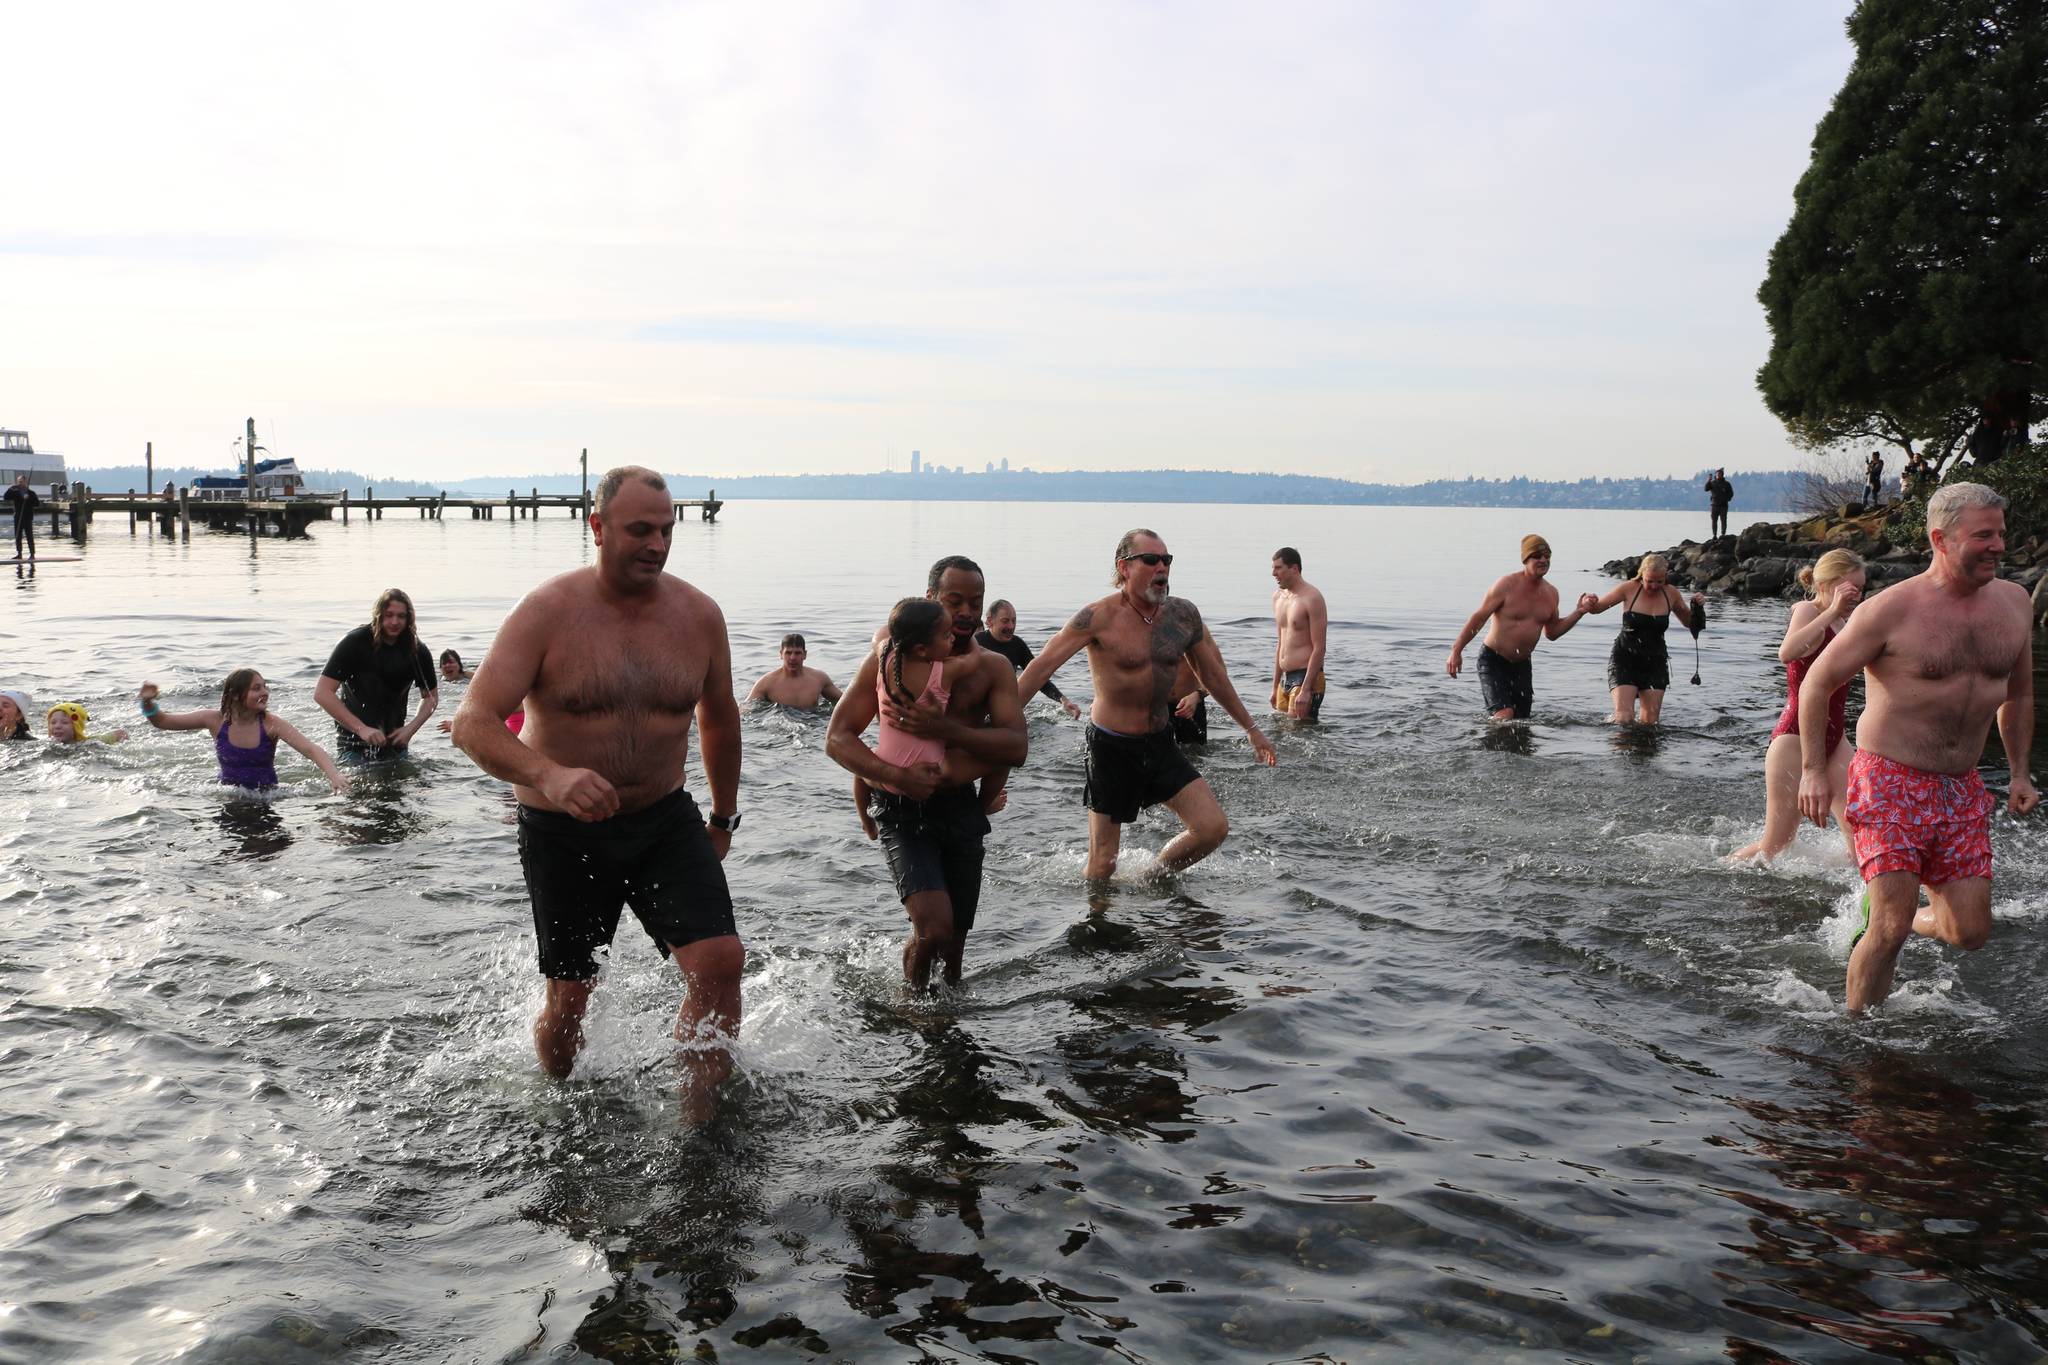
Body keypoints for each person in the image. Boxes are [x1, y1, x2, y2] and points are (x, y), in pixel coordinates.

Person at [451, 466, 746, 1094]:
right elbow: (472, 723)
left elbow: (718, 717)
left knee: (720, 964)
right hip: (565, 831)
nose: (658, 545)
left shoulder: (699, 616)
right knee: (570, 1001)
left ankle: (700, 1129)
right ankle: (558, 1102)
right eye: (640, 530)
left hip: (665, 819)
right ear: (597, 528)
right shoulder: (547, 613)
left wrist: (723, 816)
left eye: (667, 530)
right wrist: (549, 775)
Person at [1794, 483, 2038, 1012]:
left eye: (2001, 532)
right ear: (1941, 539)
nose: (1998, 545)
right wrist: (1814, 769)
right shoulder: (1892, 609)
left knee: (1970, 932)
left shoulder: (2016, 604)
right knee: (1889, 926)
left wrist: (2020, 772)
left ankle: (1897, 915)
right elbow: (1817, 682)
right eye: (1983, 535)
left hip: (1960, 786)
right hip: (1889, 779)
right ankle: (1859, 1036)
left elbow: (2017, 694)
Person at [1018, 529, 1278, 881]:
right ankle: (1098, 924)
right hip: (1110, 748)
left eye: (1166, 560)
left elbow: (1215, 677)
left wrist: (1252, 730)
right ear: (1123, 567)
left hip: (1159, 743)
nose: (1162, 567)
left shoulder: (1183, 615)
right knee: (1102, 865)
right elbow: (1039, 668)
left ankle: (1150, 878)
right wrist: (998, 726)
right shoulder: (1097, 617)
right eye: (1151, 560)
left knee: (1212, 827)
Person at [827, 555, 1027, 989]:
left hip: (959, 810)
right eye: (955, 601)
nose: (968, 613)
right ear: (930, 599)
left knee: (953, 945)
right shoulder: (886, 660)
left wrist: (942, 727)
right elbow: (838, 738)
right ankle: (913, 1004)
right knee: (933, 931)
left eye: (976, 602)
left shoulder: (991, 668)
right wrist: (895, 777)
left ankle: (947, 1020)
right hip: (901, 808)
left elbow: (1017, 747)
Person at [1729, 550, 1866, 865]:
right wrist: (1831, 610)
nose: (1857, 595)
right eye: (1851, 587)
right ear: (1829, 583)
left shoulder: (1849, 622)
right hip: (1794, 738)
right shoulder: (1808, 610)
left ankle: (1859, 899)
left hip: (1835, 738)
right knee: (1776, 846)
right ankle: (1727, 870)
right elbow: (1787, 652)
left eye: (1861, 588)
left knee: (1861, 835)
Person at [1444, 535, 1597, 721]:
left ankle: (1504, 747)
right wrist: (1456, 650)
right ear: (1525, 560)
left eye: (1547, 556)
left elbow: (1552, 633)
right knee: (1505, 714)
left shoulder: (1551, 593)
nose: (1543, 560)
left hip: (1522, 666)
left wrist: (1579, 611)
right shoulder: (1506, 585)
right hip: (1493, 660)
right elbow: (1479, 617)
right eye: (1537, 556)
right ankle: (1484, 746)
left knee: (1522, 722)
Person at [137, 672, 349, 793]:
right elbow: (163, 721)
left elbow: (310, 749)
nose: (265, 692)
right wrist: (147, 702)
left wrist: (334, 776)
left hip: (266, 797)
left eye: (265, 687)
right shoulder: (215, 720)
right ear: (236, 695)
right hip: (228, 795)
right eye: (256, 688)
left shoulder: (271, 724)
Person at [1582, 555, 1706, 724]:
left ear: (1665, 578)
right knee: (1624, 718)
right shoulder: (1628, 588)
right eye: (1650, 581)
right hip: (1625, 658)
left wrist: (1697, 607)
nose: (1654, 586)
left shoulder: (1671, 594)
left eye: (1659, 581)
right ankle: (1619, 747)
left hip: (1655, 661)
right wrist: (1589, 601)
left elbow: (1689, 623)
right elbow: (1597, 609)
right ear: (1641, 575)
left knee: (1650, 723)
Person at [315, 589, 439, 757]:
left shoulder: (416, 651)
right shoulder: (354, 643)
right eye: (389, 615)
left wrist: (410, 729)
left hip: (395, 744)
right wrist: (361, 729)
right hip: (353, 743)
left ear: (409, 618)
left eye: (401, 616)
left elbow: (431, 698)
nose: (395, 622)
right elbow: (322, 693)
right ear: (378, 615)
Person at [976, 602, 1082, 719]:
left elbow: (1038, 676)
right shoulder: (976, 643)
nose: (1011, 626)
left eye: (1014, 621)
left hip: (1004, 705)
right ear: (990, 621)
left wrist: (1063, 700)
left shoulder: (1018, 645)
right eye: (1005, 621)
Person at [1269, 547, 1328, 721]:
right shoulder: (1278, 598)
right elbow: (1281, 644)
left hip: (1306, 677)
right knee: (1281, 735)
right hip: (1285, 679)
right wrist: (1274, 687)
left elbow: (1319, 647)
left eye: (1278, 568)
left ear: (1294, 569)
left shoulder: (1312, 598)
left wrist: (1306, 689)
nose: (1273, 573)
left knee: (1300, 735)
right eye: (1273, 568)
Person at [747, 633, 843, 709]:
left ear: (804, 655)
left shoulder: (819, 679)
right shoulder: (766, 683)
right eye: (788, 653)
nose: (792, 658)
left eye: (797, 653)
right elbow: (746, 708)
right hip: (779, 729)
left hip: (814, 723)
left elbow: (845, 701)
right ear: (781, 654)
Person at [46, 703, 127, 745]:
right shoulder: (46, 743)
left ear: (76, 726)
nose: (57, 726)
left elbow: (121, 733)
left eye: (65, 722)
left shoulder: (90, 742)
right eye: (53, 722)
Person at [1169, 658, 1207, 745]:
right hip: (1157, 707)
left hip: (1192, 706)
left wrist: (1198, 695)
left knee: (1195, 752)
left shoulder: (1198, 645)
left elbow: (1216, 677)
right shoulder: (1144, 645)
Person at [7, 474, 39, 562]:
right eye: (18, 482)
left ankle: (32, 554)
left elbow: (37, 503)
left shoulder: (31, 493)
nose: (19, 483)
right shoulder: (15, 492)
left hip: (27, 517)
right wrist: (11, 488)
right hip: (17, 517)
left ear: (25, 482)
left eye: (21, 482)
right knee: (18, 535)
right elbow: (6, 497)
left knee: (29, 536)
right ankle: (19, 554)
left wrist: (28, 498)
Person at [1703, 468, 1734, 539]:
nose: (1718, 475)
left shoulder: (1727, 484)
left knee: (1723, 520)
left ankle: (1723, 534)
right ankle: (1714, 535)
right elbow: (1706, 489)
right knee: (1714, 521)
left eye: (1719, 474)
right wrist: (1709, 480)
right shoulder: (1712, 483)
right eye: (1717, 474)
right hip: (1714, 505)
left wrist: (1726, 499)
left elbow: (1731, 493)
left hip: (1723, 506)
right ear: (1715, 475)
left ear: (1722, 475)